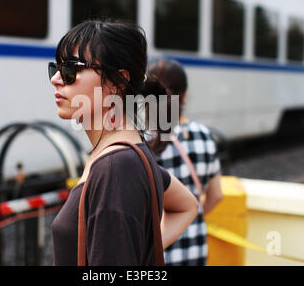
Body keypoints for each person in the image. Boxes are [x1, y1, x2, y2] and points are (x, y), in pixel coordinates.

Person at [49, 20, 198, 266]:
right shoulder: (125, 153)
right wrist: (143, 251)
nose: (56, 79)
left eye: (70, 69)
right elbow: (187, 205)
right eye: (55, 68)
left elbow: (187, 206)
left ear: (117, 82)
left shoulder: (116, 167)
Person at [147, 58, 223, 266]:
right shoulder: (204, 135)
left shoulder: (144, 139)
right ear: (185, 95)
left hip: (159, 250)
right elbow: (216, 195)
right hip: (195, 248)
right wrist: (192, 216)